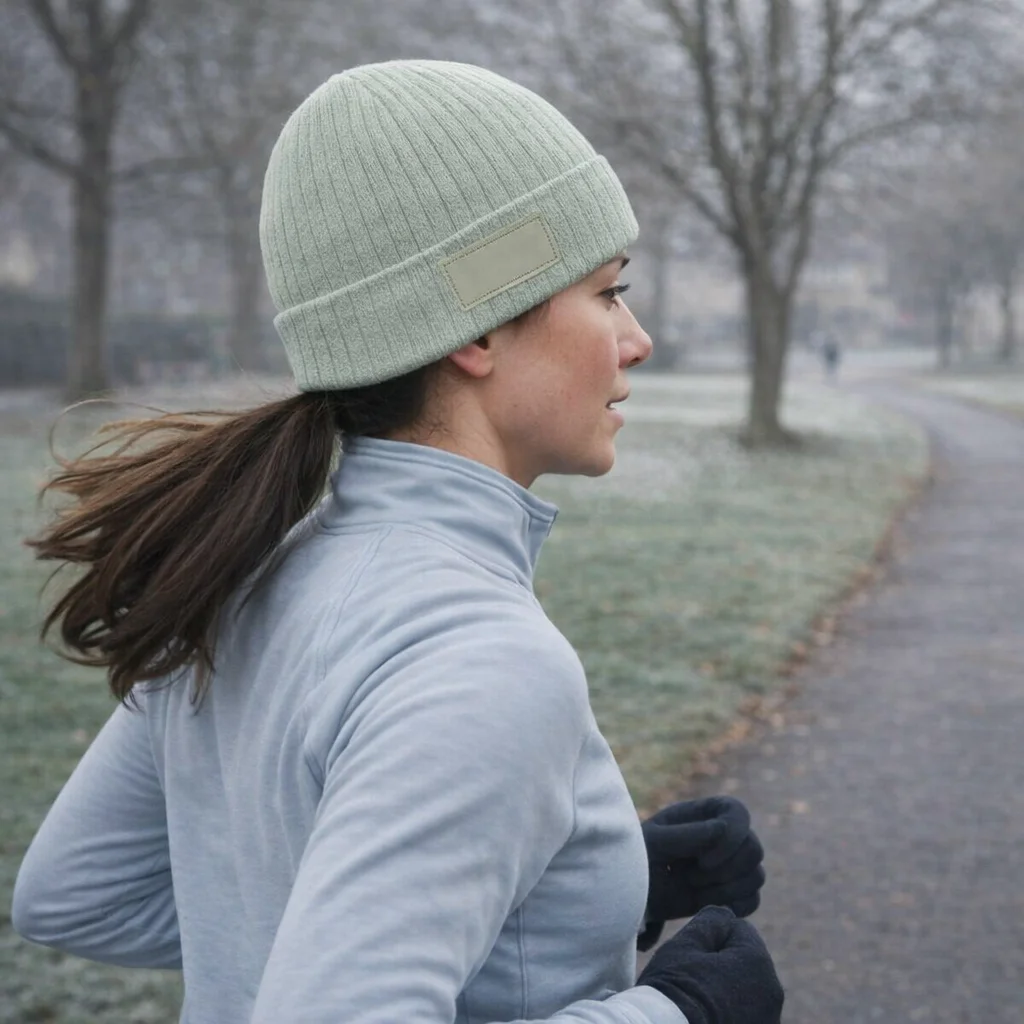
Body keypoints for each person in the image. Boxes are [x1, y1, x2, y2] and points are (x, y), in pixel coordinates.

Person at [11, 61, 783, 1024]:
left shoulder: (245, 578)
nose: (637, 338)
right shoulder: (480, 658)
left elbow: (79, 895)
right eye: (607, 291)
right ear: (479, 330)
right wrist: (680, 1014)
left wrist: (574, 884)